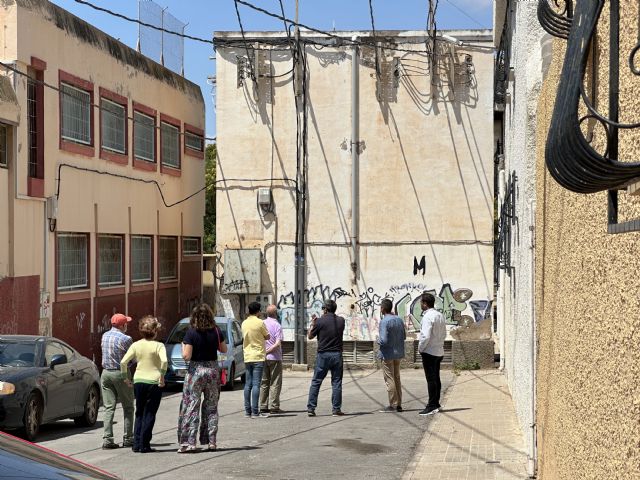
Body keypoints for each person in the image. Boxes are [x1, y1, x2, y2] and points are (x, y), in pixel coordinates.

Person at [177, 304, 227, 453]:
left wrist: (182, 346)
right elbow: (223, 350)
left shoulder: (191, 333)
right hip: (212, 371)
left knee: (192, 406)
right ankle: (211, 441)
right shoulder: (217, 331)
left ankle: (190, 442)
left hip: (196, 372)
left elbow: (186, 356)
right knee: (211, 406)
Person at [120, 316, 167, 453]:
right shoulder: (159, 346)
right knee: (150, 413)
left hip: (139, 380)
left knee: (139, 412)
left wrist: (125, 378)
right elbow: (164, 361)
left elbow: (123, 362)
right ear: (155, 332)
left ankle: (136, 443)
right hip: (154, 382)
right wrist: (162, 377)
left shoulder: (136, 345)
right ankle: (145, 444)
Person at [100, 313, 134, 450]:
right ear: (122, 325)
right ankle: (128, 438)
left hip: (106, 373)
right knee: (128, 407)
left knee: (109, 407)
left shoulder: (105, 335)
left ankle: (107, 439)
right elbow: (131, 358)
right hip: (121, 373)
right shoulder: (126, 338)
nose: (127, 326)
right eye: (126, 323)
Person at [306, 299, 346, 417]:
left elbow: (310, 336)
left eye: (323, 308)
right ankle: (336, 409)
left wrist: (313, 324)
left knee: (316, 381)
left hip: (323, 355)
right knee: (337, 382)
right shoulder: (341, 321)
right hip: (337, 355)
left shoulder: (319, 321)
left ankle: (311, 408)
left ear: (326, 309)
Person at [418, 292, 447, 416]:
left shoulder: (427, 317)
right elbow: (444, 333)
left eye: (421, 303)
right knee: (436, 378)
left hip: (429, 351)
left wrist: (420, 348)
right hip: (439, 350)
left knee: (431, 379)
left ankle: (431, 405)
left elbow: (425, 336)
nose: (420, 305)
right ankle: (436, 403)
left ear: (425, 303)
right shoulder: (440, 315)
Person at [241, 301, 270, 418]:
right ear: (258, 311)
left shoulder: (244, 323)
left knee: (248, 384)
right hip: (258, 355)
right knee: (257, 384)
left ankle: (248, 411)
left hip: (247, 356)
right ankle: (255, 411)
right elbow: (267, 336)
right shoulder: (260, 322)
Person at [377, 299, 406, 413]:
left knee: (390, 379)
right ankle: (399, 404)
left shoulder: (384, 321)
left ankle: (393, 404)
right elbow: (403, 336)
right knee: (397, 378)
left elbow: (383, 340)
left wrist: (377, 340)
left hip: (387, 353)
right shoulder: (399, 319)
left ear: (383, 309)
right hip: (398, 353)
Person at [259, 305, 284, 414]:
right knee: (275, 382)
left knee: (264, 382)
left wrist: (264, 352)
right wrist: (268, 351)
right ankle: (274, 406)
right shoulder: (277, 325)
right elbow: (278, 343)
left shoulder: (262, 324)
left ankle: (263, 406)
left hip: (263, 357)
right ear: (275, 313)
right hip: (275, 357)